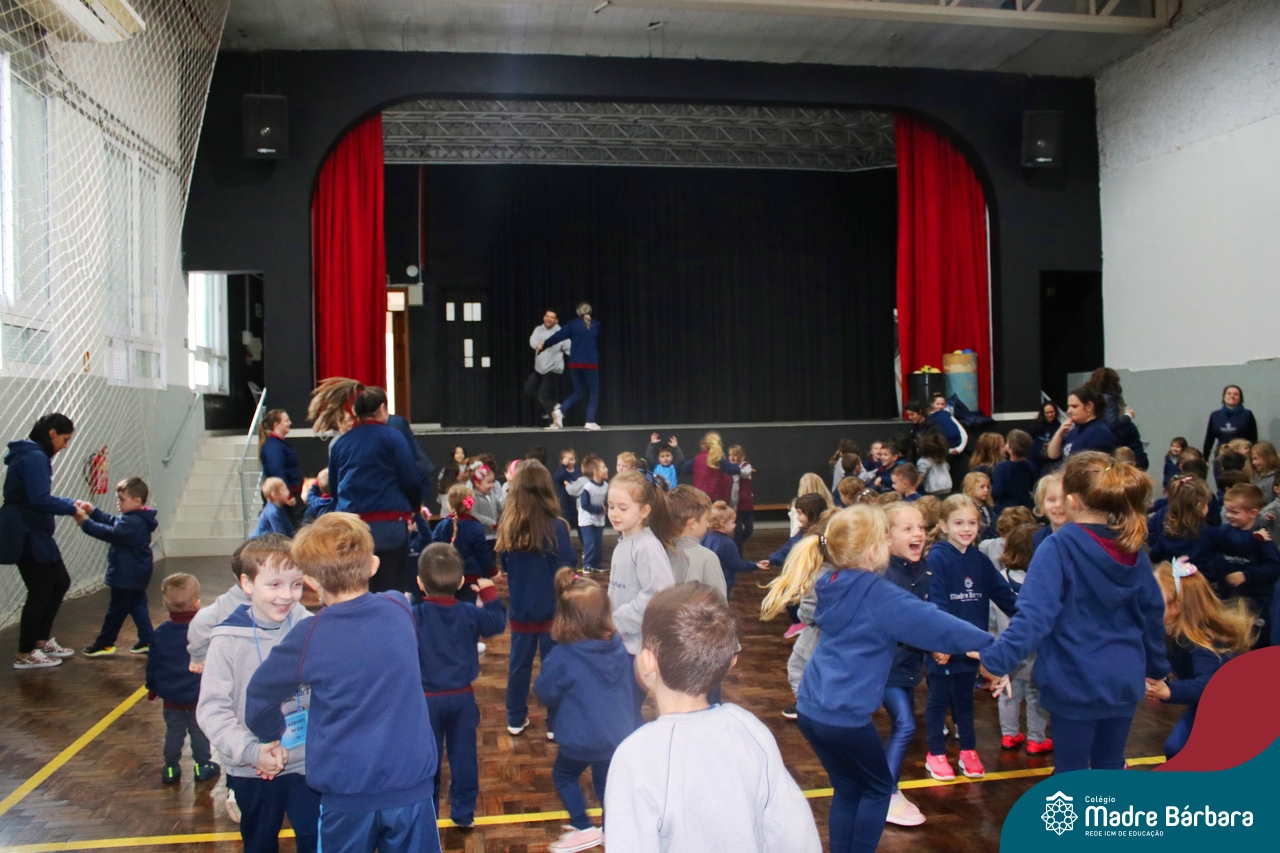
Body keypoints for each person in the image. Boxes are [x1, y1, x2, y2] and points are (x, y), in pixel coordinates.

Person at [787, 506, 994, 853]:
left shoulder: (832, 581)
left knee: (849, 788)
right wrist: (993, 647)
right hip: (844, 717)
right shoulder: (877, 593)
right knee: (878, 788)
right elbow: (934, 622)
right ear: (872, 551)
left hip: (811, 709)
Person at [246, 514, 440, 853]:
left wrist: (271, 733)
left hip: (346, 793)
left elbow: (259, 695)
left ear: (309, 581)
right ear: (373, 565)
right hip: (411, 785)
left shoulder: (308, 636)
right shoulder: (399, 607)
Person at [977, 452, 1170, 773]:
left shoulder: (1057, 547)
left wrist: (996, 660)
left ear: (1071, 500)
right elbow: (1152, 615)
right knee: (1110, 767)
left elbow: (1033, 618)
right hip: (1123, 679)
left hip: (1075, 680)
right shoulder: (1133, 548)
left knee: (1071, 774)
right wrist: (1157, 667)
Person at [605, 583, 821, 853]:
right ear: (730, 662)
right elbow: (795, 836)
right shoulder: (751, 730)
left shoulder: (634, 757)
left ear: (648, 661)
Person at [196, 534, 318, 853]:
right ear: (247, 584)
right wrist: (252, 751)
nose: (287, 595)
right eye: (274, 584)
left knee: (316, 839)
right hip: (252, 769)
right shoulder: (226, 640)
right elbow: (212, 710)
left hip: (307, 764)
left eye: (296, 584)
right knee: (260, 842)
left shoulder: (312, 629)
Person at [535, 569, 635, 853]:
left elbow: (545, 691)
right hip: (615, 736)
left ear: (565, 618)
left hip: (581, 739)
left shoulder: (563, 655)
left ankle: (583, 827)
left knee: (564, 776)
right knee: (605, 785)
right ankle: (611, 831)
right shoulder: (618, 647)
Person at [924, 495, 1018, 782]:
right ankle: (935, 753)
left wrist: (1034, 616)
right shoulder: (937, 558)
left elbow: (1005, 596)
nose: (966, 529)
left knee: (965, 701)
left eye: (972, 523)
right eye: (959, 523)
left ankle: (968, 750)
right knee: (938, 699)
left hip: (971, 650)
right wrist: (941, 642)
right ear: (944, 526)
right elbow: (936, 604)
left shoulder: (980, 560)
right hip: (944, 648)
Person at [412, 543, 507, 829]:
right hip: (462, 699)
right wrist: (489, 595)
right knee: (464, 759)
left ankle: (427, 815)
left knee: (427, 760)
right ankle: (464, 812)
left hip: (426, 701)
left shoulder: (414, 616)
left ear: (420, 583)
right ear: (461, 581)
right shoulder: (468, 612)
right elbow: (497, 622)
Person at [310, 378, 422, 595]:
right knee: (391, 592)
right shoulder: (394, 437)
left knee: (357, 592)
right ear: (381, 409)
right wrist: (415, 507)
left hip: (352, 531)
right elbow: (410, 479)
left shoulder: (341, 443)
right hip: (389, 529)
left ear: (355, 412)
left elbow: (334, 487)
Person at [496, 460, 577, 737]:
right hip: (552, 612)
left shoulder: (508, 526)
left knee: (518, 668)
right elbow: (567, 567)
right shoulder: (557, 527)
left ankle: (515, 718)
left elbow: (506, 565)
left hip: (521, 611)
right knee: (554, 668)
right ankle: (554, 722)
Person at [1147, 559, 1255, 759]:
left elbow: (1209, 686)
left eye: (1153, 593)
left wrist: (1168, 690)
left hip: (1243, 706)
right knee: (1177, 749)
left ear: (1175, 607)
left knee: (1181, 749)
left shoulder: (1204, 640)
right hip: (1213, 702)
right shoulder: (1168, 630)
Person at [2, 413, 78, 669]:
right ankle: (25, 653)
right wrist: (72, 507)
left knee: (59, 582)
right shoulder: (34, 457)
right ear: (51, 433)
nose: (65, 446)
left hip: (35, 530)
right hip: (24, 531)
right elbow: (39, 499)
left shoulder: (32, 455)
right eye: (64, 439)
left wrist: (69, 503)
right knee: (40, 588)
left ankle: (41, 640)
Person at [606, 470, 677, 724]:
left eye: (623, 508)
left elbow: (658, 596)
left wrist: (616, 620)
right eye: (611, 506)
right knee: (620, 710)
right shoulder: (625, 542)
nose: (614, 513)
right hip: (622, 642)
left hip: (638, 649)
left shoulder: (646, 547)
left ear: (644, 511)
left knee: (624, 712)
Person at [878, 503, 930, 827]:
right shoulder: (883, 575)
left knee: (904, 725)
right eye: (908, 528)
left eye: (921, 527)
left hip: (908, 667)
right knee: (906, 724)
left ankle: (883, 787)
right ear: (887, 537)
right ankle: (887, 793)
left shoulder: (922, 570)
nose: (918, 534)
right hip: (886, 668)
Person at [146, 573, 218, 785]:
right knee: (199, 731)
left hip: (171, 697)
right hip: (198, 695)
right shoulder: (205, 632)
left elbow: (152, 664)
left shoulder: (160, 633)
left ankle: (170, 767)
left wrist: (152, 688)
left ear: (165, 604)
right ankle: (202, 766)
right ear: (197, 603)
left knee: (173, 733)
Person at [76, 477, 159, 656]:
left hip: (127, 575)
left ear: (137, 501)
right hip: (135, 574)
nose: (118, 503)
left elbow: (111, 532)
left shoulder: (133, 522)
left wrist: (85, 522)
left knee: (116, 611)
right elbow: (113, 521)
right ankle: (147, 640)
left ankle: (105, 643)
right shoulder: (135, 518)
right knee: (137, 606)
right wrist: (93, 512)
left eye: (122, 499)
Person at [990, 524, 1052, 755]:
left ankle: (1009, 735)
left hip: (1006, 650)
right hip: (1038, 652)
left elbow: (991, 618)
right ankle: (1036, 739)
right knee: (1036, 696)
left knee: (1008, 694)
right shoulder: (1043, 582)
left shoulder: (999, 580)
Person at [1217, 483, 1280, 646]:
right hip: (1228, 599)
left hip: (1258, 602)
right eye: (1227, 510)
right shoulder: (1224, 533)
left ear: (1253, 513)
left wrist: (1246, 575)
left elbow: (1274, 568)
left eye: (1235, 512)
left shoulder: (1264, 538)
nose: (1228, 515)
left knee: (1256, 641)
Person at [430, 484, 496, 605]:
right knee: (469, 609)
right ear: (471, 506)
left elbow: (433, 550)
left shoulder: (442, 526)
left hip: (446, 579)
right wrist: (493, 571)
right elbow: (483, 553)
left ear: (449, 505)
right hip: (471, 578)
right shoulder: (475, 526)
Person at [542, 302, 602, 430]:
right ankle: (590, 421)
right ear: (590, 311)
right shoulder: (596, 325)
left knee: (578, 392)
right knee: (594, 392)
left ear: (578, 312)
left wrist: (545, 344)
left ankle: (560, 411)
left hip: (575, 364)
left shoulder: (572, 325)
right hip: (590, 364)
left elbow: (557, 336)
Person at [666, 487, 727, 594]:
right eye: (706, 519)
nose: (707, 524)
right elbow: (718, 599)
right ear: (693, 523)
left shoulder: (659, 549)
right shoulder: (707, 558)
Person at [701, 500, 757, 598]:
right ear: (723, 523)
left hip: (706, 581)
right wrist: (755, 565)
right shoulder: (727, 543)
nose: (735, 525)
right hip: (723, 583)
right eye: (733, 522)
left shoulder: (705, 537)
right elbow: (736, 565)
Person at [1045, 386, 1115, 462]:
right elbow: (1053, 455)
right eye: (1069, 406)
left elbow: (1098, 465)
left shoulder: (1099, 433)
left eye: (1074, 406)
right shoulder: (1075, 431)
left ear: (1089, 407)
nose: (1069, 411)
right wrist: (1059, 432)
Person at [259, 409, 304, 526]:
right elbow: (276, 471)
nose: (290, 423)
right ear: (276, 424)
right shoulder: (273, 446)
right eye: (286, 420)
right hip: (284, 500)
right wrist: (286, 495)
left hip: (290, 495)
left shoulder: (277, 445)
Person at [526, 309, 571, 425]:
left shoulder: (561, 332)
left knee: (542, 395)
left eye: (552, 317)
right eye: (547, 316)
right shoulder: (538, 329)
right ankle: (554, 405)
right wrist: (537, 344)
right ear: (544, 317)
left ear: (556, 321)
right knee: (529, 389)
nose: (549, 319)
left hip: (554, 369)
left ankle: (554, 421)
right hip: (540, 368)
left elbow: (569, 348)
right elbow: (532, 340)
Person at [567, 455, 608, 573]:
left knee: (598, 543)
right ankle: (587, 564)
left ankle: (596, 564)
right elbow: (584, 504)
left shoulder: (606, 486)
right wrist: (599, 509)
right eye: (603, 467)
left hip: (599, 520)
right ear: (595, 472)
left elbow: (607, 500)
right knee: (590, 542)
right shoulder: (588, 487)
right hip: (587, 520)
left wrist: (606, 507)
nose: (606, 469)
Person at [678, 432, 741, 504]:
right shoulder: (718, 459)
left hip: (699, 496)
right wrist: (738, 466)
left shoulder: (697, 458)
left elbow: (684, 469)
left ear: (704, 445)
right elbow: (733, 470)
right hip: (715, 497)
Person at [1203, 385, 1258, 460]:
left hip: (1242, 457)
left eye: (1236, 394)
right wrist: (1205, 458)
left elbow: (1253, 439)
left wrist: (1253, 457)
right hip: (1221, 457)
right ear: (1224, 397)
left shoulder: (1247, 414)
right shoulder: (1215, 415)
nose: (1232, 396)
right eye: (1229, 393)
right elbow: (1209, 439)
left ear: (1240, 398)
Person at [992, 429, 1037, 515]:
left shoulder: (1002, 467)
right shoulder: (1030, 466)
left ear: (1010, 450)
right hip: (1024, 509)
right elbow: (1033, 487)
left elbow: (998, 490)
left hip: (1004, 510)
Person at [727, 444, 755, 549]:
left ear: (742, 457)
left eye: (735, 455)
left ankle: (734, 544)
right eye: (730, 455)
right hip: (735, 506)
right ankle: (737, 550)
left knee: (749, 529)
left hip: (746, 504)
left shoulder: (746, 467)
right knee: (737, 531)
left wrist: (732, 470)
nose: (732, 458)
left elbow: (744, 472)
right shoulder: (729, 469)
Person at [1030, 401, 1064, 475]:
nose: (1050, 415)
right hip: (1033, 461)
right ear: (1043, 413)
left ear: (1056, 412)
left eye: (1052, 412)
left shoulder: (1059, 427)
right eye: (1047, 413)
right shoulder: (1035, 424)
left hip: (1050, 464)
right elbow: (1028, 439)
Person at [551, 449, 579, 536]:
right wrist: (563, 466)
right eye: (567, 460)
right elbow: (555, 478)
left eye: (572, 459)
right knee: (565, 529)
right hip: (565, 507)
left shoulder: (578, 472)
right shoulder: (561, 472)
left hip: (576, 506)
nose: (570, 462)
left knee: (581, 529)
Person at [962, 471, 996, 541]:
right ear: (971, 487)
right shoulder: (968, 509)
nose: (986, 490)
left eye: (988, 487)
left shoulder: (989, 507)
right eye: (982, 487)